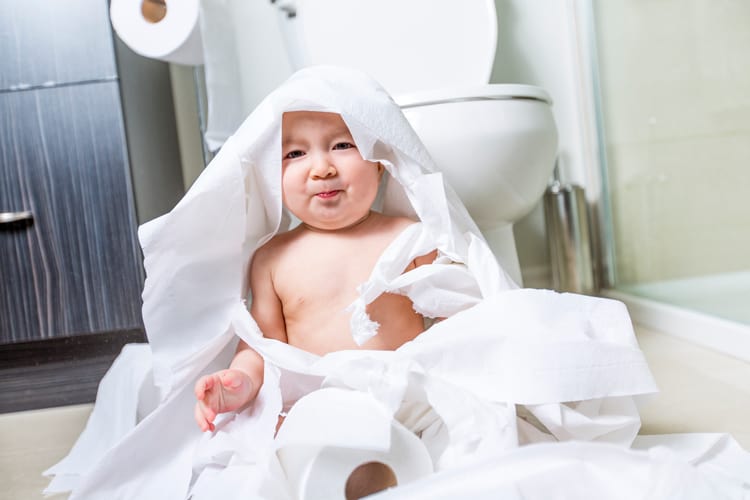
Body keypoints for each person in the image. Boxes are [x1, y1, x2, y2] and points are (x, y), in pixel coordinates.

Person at [193, 111, 437, 434]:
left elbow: (454, 319)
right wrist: (241, 382)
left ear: (379, 162)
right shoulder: (272, 259)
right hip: (318, 411)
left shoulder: (409, 239)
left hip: (402, 403)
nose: (322, 169)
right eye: (295, 153)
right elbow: (261, 346)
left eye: (342, 145)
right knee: (285, 452)